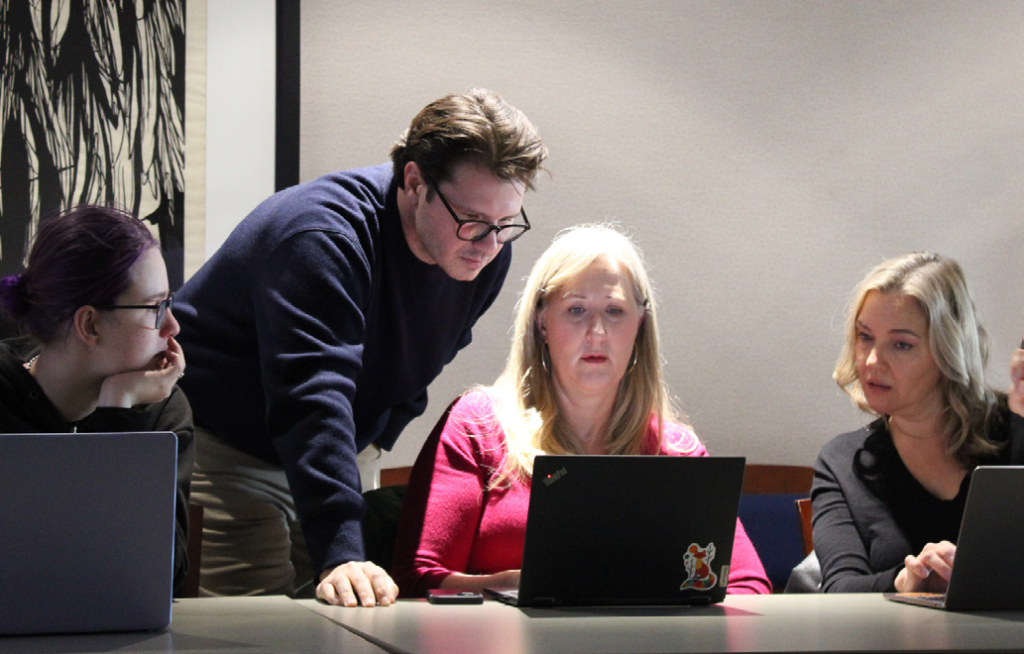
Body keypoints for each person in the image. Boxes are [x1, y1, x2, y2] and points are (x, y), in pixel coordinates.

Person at [174, 89, 547, 606]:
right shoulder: (321, 236)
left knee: (347, 617)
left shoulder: (481, 253)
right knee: (261, 620)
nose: (488, 244)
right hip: (230, 447)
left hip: (335, 448)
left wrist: (373, 439)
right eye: (472, 219)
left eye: (506, 223)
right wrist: (341, 548)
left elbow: (428, 356)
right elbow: (311, 396)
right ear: (414, 181)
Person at [391, 224, 771, 596]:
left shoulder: (675, 450)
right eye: (576, 310)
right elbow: (416, 578)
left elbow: (749, 585)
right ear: (542, 322)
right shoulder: (477, 425)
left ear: (639, 325)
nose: (597, 332)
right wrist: (510, 588)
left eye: (615, 311)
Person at [0, 205, 193, 594]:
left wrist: (119, 409)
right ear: (90, 324)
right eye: (156, 307)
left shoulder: (161, 411)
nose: (172, 326)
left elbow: (159, 575)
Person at [812, 252, 1024, 593]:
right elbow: (837, 590)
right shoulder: (841, 461)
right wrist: (904, 581)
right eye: (865, 337)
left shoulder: (1015, 431)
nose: (872, 361)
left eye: (901, 344)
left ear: (948, 350)